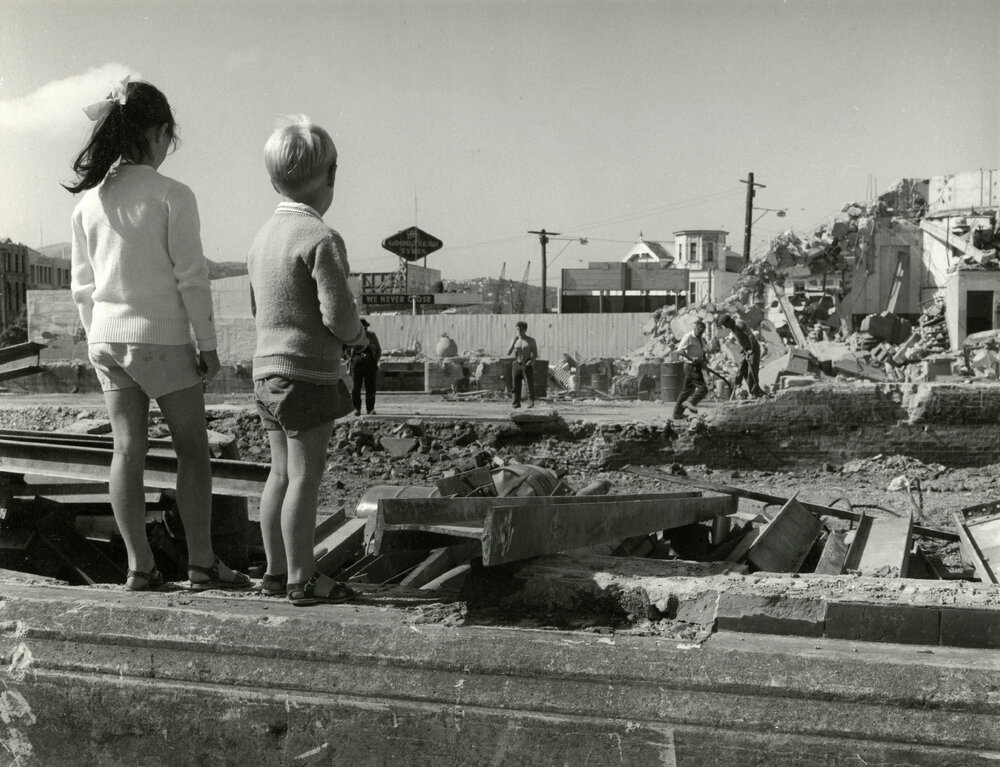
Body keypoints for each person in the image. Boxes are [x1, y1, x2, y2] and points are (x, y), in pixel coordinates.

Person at [66, 78, 249, 592]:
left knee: (127, 450)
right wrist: (208, 346)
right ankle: (202, 563)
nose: (171, 146)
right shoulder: (173, 194)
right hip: (160, 337)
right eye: (170, 135)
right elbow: (191, 276)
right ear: (157, 131)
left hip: (105, 337)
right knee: (193, 448)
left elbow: (82, 287)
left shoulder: (88, 202)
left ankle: (139, 567)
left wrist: (95, 336)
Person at [247, 114, 368, 606]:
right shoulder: (321, 238)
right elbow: (338, 315)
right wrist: (357, 336)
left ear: (273, 179)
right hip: (307, 374)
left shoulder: (261, 240)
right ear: (332, 176)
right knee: (305, 476)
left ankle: (275, 571)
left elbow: (259, 308)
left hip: (266, 373)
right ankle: (303, 577)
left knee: (278, 473)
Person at [718, 312, 764, 397]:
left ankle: (756, 393)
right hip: (746, 350)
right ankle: (753, 392)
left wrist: (751, 349)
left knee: (751, 372)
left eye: (725, 325)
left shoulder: (739, 324)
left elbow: (750, 336)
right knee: (744, 371)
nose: (726, 327)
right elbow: (741, 338)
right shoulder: (732, 327)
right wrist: (743, 348)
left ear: (729, 321)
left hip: (753, 349)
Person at [672, 318, 709, 419]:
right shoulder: (688, 336)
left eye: (703, 332)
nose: (701, 333)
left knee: (686, 391)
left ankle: (677, 414)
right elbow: (679, 351)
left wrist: (704, 357)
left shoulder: (700, 338)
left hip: (697, 366)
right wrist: (691, 358)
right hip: (691, 366)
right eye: (700, 331)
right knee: (704, 388)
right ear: (696, 329)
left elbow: (700, 351)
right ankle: (690, 402)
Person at [349, 318, 382, 415]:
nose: (364, 329)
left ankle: (370, 409)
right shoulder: (352, 337)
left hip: (369, 363)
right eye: (362, 327)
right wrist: (350, 359)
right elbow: (346, 350)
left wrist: (374, 361)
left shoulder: (371, 336)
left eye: (365, 327)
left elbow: (378, 350)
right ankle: (357, 409)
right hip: (356, 363)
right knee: (356, 387)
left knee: (370, 387)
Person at [505, 320, 538, 408]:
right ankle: (516, 404)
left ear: (525, 330)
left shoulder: (531, 340)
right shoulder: (515, 340)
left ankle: (530, 403)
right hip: (517, 363)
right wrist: (513, 344)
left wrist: (531, 361)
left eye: (520, 330)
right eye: (517, 330)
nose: (519, 332)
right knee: (515, 385)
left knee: (529, 385)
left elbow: (535, 353)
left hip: (527, 363)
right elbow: (508, 352)